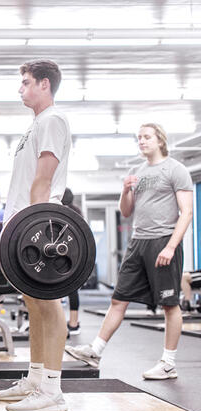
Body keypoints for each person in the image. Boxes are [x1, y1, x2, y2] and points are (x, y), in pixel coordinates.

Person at [66, 123, 193, 380]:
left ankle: (168, 363)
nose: (142, 142)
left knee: (169, 304)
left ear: (160, 140)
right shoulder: (137, 171)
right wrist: (125, 190)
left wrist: (171, 246)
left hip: (162, 240)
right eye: (139, 138)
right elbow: (126, 211)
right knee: (118, 299)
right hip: (138, 241)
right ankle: (95, 350)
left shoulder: (176, 170)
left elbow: (187, 212)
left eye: (147, 137)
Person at [0, 59, 72, 411]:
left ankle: (52, 390)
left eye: (25, 82)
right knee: (33, 303)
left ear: (44, 84)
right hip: (23, 224)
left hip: (38, 228)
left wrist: (33, 227)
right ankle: (36, 379)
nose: (20, 88)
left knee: (49, 305)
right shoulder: (35, 125)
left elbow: (44, 178)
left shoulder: (53, 120)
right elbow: (22, 184)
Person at [62, 188, 83, 336]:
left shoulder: (53, 211)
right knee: (72, 289)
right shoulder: (77, 212)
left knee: (51, 290)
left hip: (61, 256)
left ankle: (54, 324)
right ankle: (73, 324)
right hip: (73, 256)